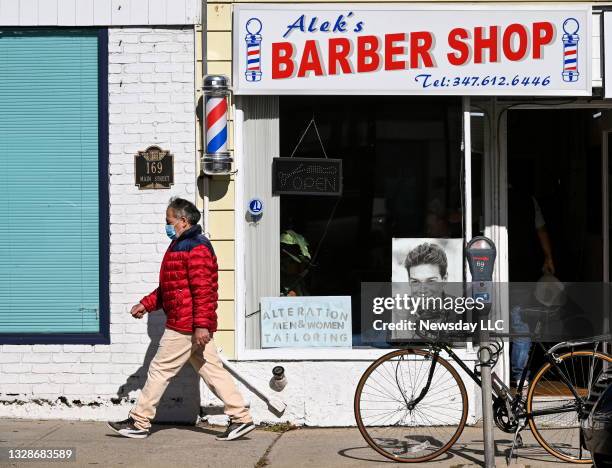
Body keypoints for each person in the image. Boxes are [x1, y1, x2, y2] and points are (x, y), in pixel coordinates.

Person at [108, 197, 255, 441]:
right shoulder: (180, 245)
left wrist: (201, 325)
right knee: (211, 370)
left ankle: (139, 421)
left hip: (185, 325)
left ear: (183, 221)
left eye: (169, 221)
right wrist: (146, 304)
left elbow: (203, 290)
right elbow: (170, 288)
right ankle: (241, 418)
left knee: (159, 370)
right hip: (189, 322)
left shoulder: (196, 247)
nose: (166, 225)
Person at [508, 183, 555, 388]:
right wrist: (548, 257)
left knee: (491, 324)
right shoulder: (528, 199)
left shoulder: (485, 193)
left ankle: (508, 373)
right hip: (523, 271)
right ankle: (520, 376)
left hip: (498, 272)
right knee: (520, 325)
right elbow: (541, 229)